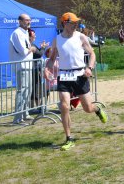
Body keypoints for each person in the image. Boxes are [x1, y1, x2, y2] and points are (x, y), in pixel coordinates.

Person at [45, 12, 108, 151]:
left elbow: (92, 53)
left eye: (76, 23)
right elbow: (52, 58)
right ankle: (69, 138)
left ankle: (97, 109)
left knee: (87, 108)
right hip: (64, 75)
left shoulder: (81, 36)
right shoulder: (57, 39)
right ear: (65, 23)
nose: (75, 25)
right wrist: (46, 69)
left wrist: (90, 68)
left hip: (80, 75)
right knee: (64, 106)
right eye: (73, 23)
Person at [9, 14, 36, 124]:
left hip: (28, 65)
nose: (29, 22)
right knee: (22, 91)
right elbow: (23, 51)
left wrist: (31, 46)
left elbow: (26, 49)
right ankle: (17, 118)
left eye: (29, 20)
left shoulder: (25, 33)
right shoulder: (17, 33)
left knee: (28, 91)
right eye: (26, 20)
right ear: (20, 21)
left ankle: (25, 113)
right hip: (22, 66)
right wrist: (32, 48)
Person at [28, 28, 49, 109]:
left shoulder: (33, 45)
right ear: (29, 37)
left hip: (36, 69)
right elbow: (39, 54)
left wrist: (42, 47)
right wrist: (43, 48)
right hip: (34, 69)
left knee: (36, 88)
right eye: (33, 35)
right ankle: (35, 106)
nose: (35, 36)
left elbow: (38, 53)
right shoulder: (31, 45)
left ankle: (37, 106)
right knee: (35, 88)